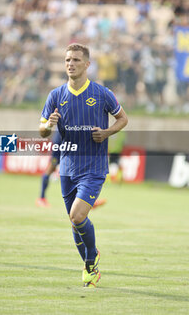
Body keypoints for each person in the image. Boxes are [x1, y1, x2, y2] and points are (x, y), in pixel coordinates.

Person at [39, 43, 128, 287]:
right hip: (67, 169)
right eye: (68, 59)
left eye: (76, 60)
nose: (70, 64)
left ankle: (91, 258)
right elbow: (42, 130)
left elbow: (123, 119)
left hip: (94, 168)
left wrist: (107, 132)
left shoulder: (102, 94)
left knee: (77, 216)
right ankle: (91, 267)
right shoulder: (56, 95)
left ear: (87, 64)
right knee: (73, 220)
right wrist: (49, 125)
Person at [36, 130, 107, 209]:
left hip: (71, 141)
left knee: (79, 168)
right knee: (51, 167)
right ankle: (41, 198)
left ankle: (86, 200)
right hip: (61, 141)